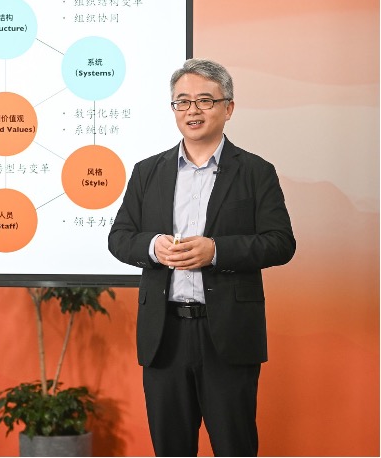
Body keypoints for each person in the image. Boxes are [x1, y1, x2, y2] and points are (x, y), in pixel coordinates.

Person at [108, 58, 295, 456]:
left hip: (227, 333)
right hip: (164, 335)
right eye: (182, 101)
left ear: (228, 108)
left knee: (234, 445)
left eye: (205, 100)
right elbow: (119, 238)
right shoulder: (147, 172)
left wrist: (217, 251)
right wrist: (152, 246)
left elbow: (281, 243)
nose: (192, 110)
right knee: (170, 447)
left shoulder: (256, 172)